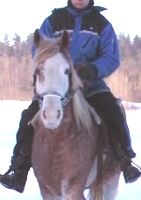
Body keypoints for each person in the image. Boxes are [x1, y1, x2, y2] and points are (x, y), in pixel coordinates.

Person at [0, 0, 141, 193]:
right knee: (28, 116)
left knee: (112, 109)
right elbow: (39, 48)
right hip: (57, 85)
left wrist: (93, 69)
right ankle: (19, 169)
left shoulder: (102, 23)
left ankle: (125, 159)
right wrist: (52, 63)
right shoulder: (54, 20)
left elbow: (111, 56)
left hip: (90, 84)